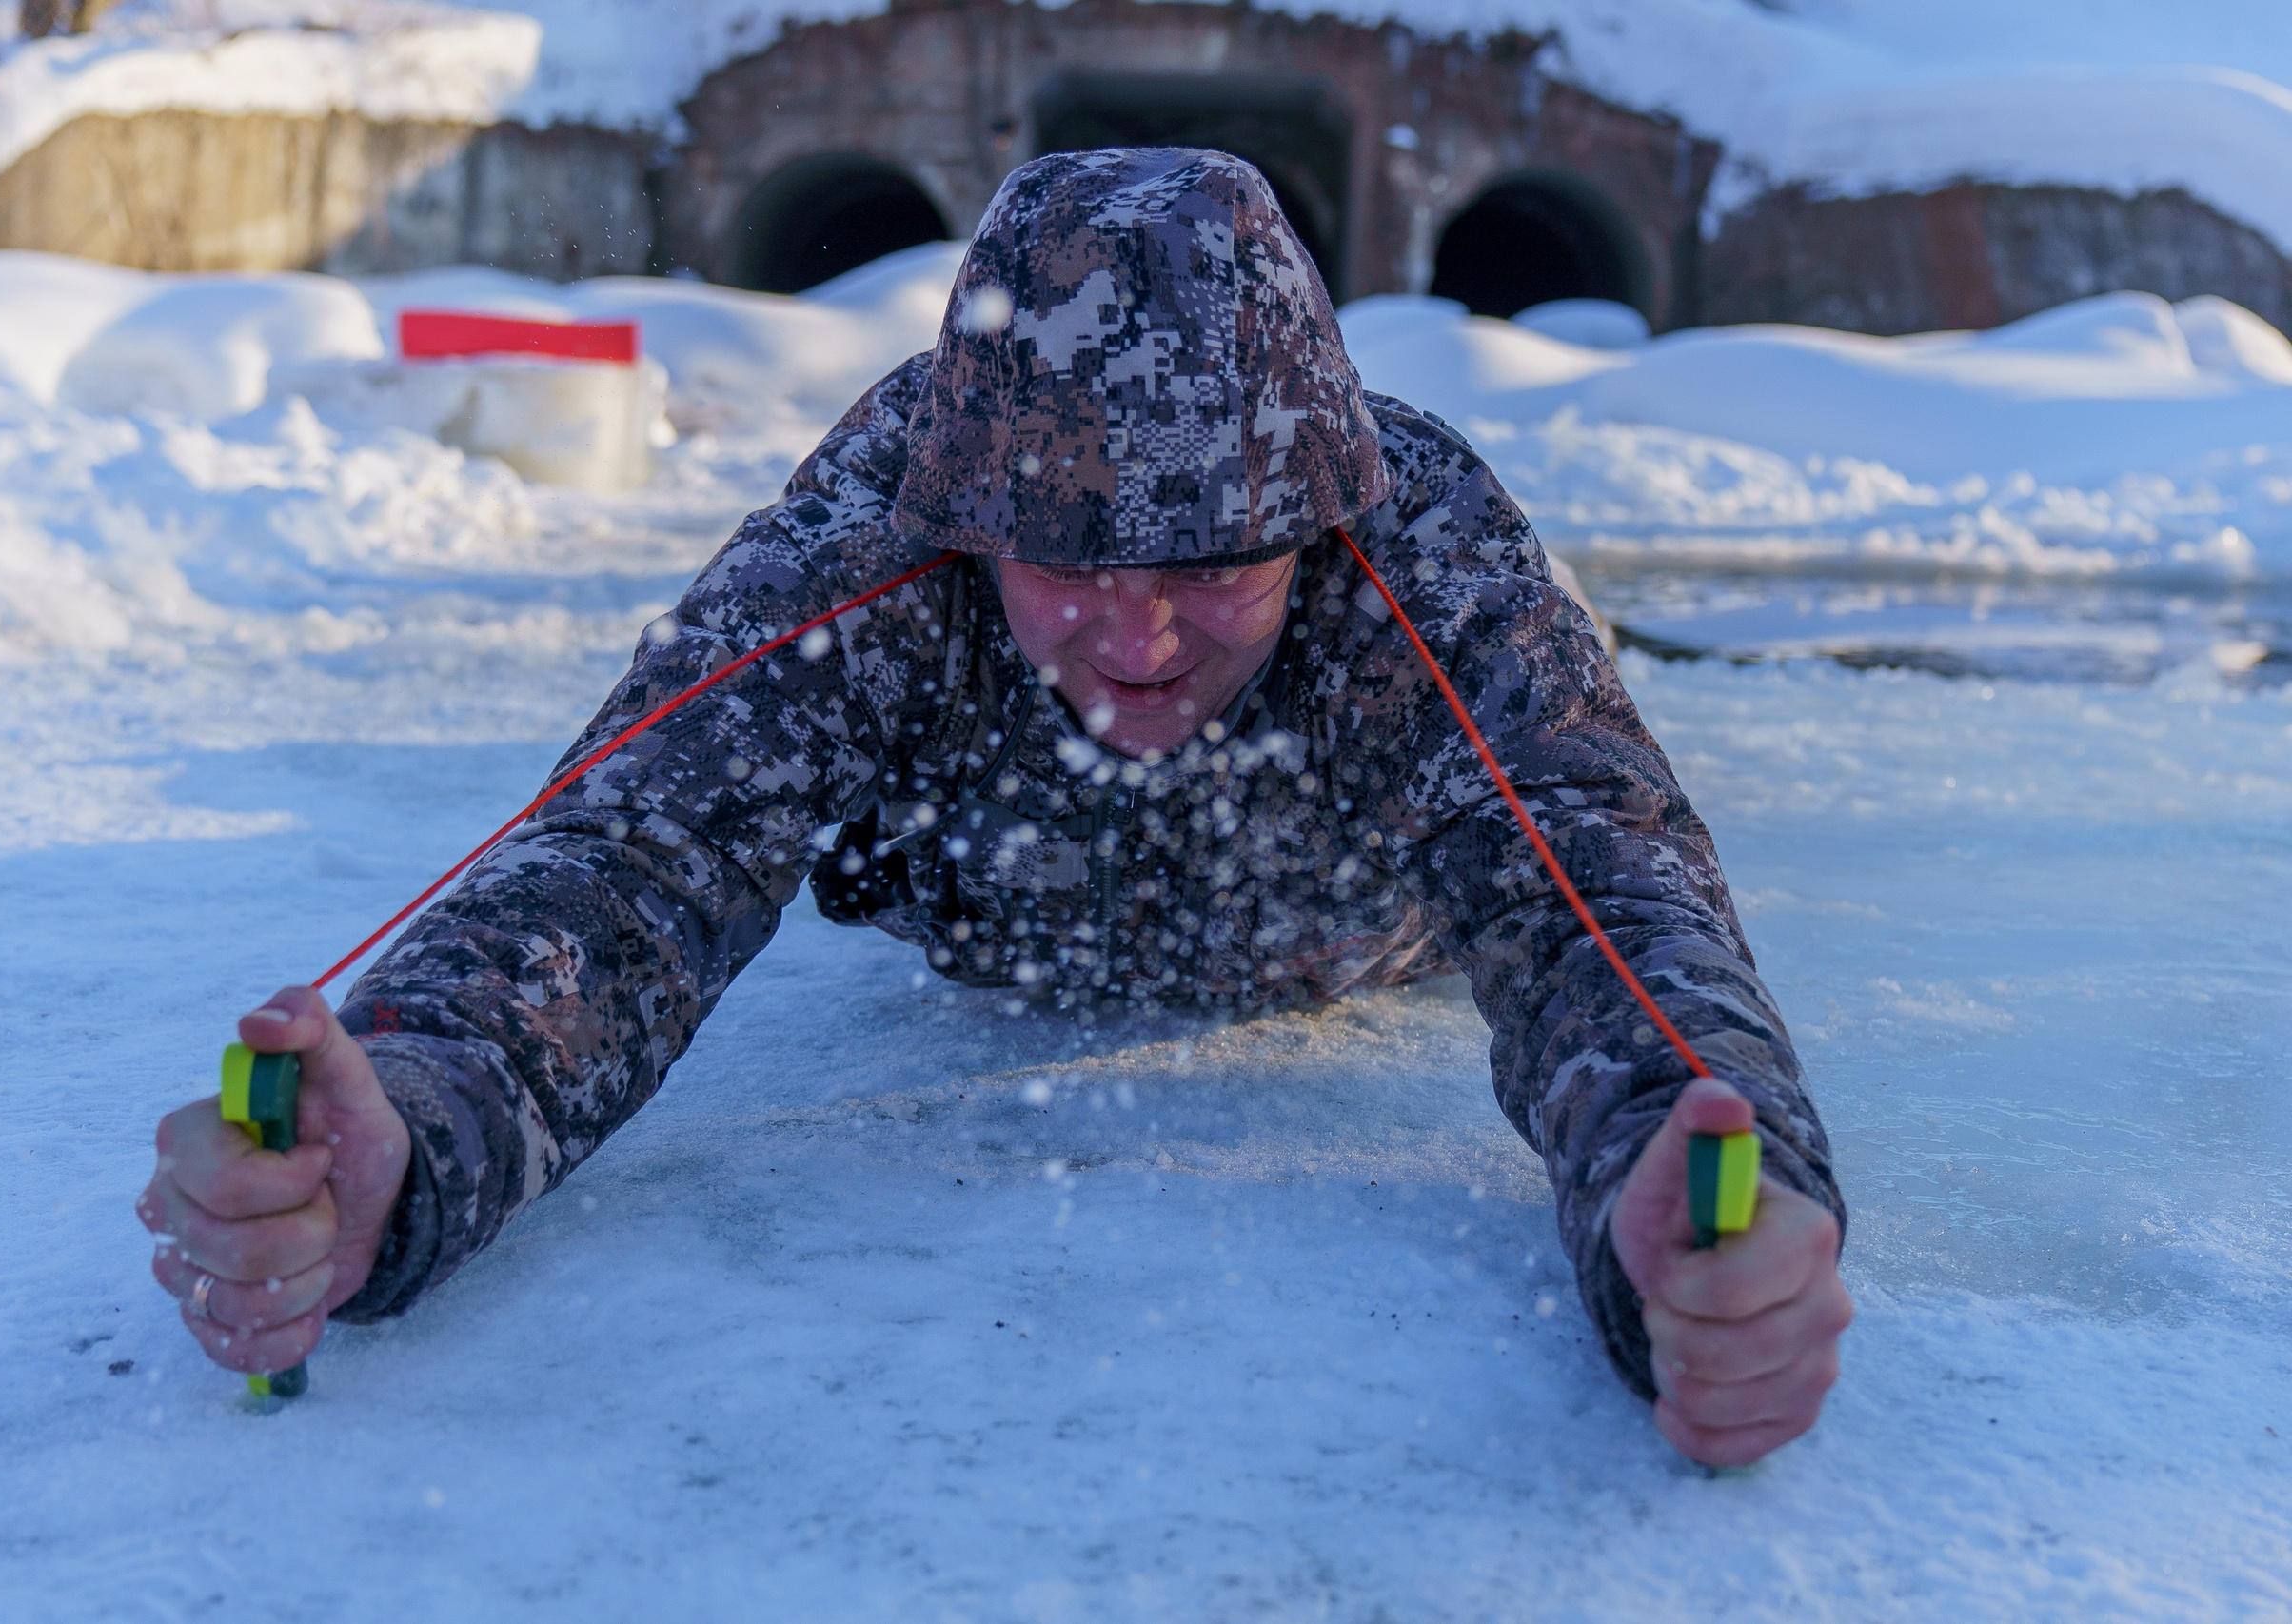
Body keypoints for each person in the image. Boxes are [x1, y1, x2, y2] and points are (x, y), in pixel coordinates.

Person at [139, 149, 1851, 1466]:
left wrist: (1701, 1210)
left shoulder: (1424, 539)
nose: (1138, 632)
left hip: (1343, 943)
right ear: (974, 522)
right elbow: (627, 853)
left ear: (1314, 518)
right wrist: (413, 1123)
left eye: (1210, 563)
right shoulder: (886, 521)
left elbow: (1606, 889)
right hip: (993, 926)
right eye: (1067, 562)